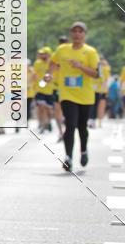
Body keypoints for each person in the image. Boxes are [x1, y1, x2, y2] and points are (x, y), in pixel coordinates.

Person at [47, 21, 99, 171]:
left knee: (82, 127)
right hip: (67, 93)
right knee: (70, 125)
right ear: (71, 34)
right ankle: (68, 157)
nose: (77, 34)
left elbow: (95, 74)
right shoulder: (62, 49)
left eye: (80, 31)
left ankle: (83, 151)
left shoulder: (90, 52)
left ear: (84, 35)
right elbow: (53, 62)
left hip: (86, 95)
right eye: (74, 31)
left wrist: (80, 66)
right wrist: (49, 74)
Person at [32, 47, 55, 133]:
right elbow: (34, 74)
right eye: (41, 54)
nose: (42, 55)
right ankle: (42, 125)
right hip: (40, 90)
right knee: (41, 108)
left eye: (44, 53)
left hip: (50, 90)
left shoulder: (52, 64)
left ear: (48, 54)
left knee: (48, 109)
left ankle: (48, 122)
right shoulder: (37, 63)